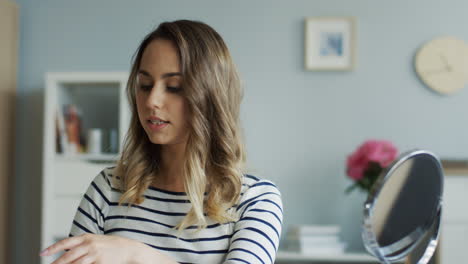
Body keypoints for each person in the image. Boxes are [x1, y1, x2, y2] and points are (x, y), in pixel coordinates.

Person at [40, 20, 283, 264]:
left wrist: (135, 254)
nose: (151, 100)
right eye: (145, 85)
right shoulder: (107, 189)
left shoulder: (255, 200)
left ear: (211, 97)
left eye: (174, 87)